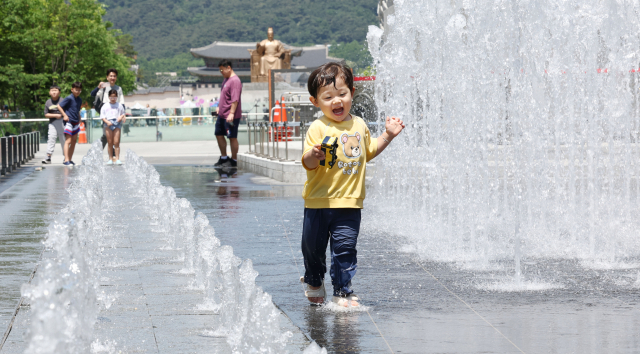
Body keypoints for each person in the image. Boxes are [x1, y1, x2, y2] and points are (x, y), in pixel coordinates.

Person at [299, 62, 405, 307]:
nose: (336, 101)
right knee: (312, 249)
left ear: (352, 93)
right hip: (318, 201)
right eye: (328, 97)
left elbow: (368, 151)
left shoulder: (359, 125)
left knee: (345, 249)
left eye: (342, 94)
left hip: (350, 202)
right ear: (315, 101)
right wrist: (313, 156)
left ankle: (342, 291)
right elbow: (307, 161)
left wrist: (387, 136)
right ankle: (314, 280)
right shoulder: (317, 127)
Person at [213, 60, 242, 168]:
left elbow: (235, 99)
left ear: (228, 68)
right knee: (219, 134)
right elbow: (224, 96)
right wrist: (219, 107)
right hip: (222, 114)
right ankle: (224, 157)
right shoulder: (226, 79)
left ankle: (234, 160)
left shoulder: (235, 81)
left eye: (222, 70)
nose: (221, 72)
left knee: (232, 137)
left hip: (231, 115)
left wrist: (232, 113)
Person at [91, 68, 125, 155]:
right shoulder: (104, 86)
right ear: (107, 77)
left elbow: (122, 102)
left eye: (114, 76)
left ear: (116, 77)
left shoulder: (119, 88)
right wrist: (98, 87)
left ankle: (114, 155)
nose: (112, 77)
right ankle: (97, 152)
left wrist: (123, 115)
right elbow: (92, 94)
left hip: (116, 115)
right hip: (106, 115)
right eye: (111, 76)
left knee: (116, 136)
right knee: (106, 135)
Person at [57, 82, 83, 166]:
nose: (78, 91)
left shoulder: (79, 99)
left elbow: (77, 109)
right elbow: (59, 106)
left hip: (76, 122)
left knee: (74, 141)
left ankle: (70, 159)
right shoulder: (69, 98)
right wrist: (64, 115)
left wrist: (79, 118)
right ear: (72, 89)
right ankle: (66, 160)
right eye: (76, 90)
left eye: (79, 90)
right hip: (68, 122)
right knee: (68, 140)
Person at [100, 89, 126, 165]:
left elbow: (123, 113)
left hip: (117, 124)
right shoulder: (105, 105)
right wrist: (107, 122)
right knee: (110, 142)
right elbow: (102, 116)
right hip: (108, 124)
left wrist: (121, 117)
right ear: (108, 97)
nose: (113, 99)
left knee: (116, 142)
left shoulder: (119, 105)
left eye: (114, 97)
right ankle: (110, 158)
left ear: (117, 97)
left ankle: (117, 158)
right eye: (111, 97)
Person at [42, 85, 65, 164]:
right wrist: (55, 115)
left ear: (59, 92)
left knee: (64, 140)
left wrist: (61, 115)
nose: (54, 92)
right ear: (49, 92)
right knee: (51, 138)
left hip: (62, 122)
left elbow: (67, 112)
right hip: (52, 123)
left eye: (56, 90)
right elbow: (46, 114)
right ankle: (48, 157)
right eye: (52, 90)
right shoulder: (48, 102)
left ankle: (66, 157)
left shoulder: (63, 100)